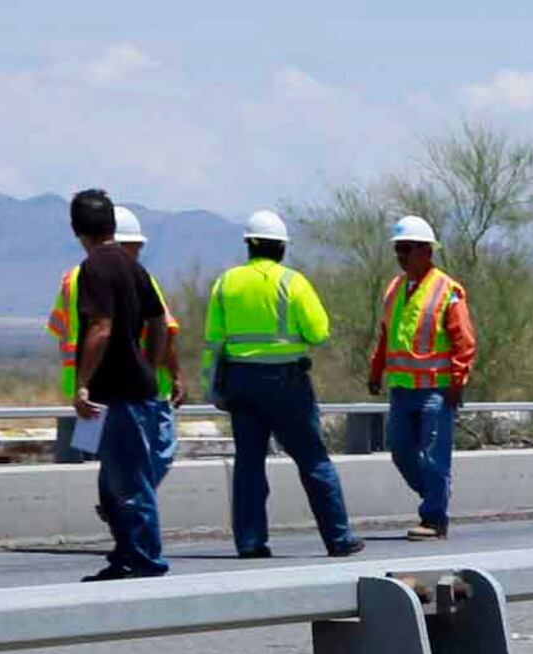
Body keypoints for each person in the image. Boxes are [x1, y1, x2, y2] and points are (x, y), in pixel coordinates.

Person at [205, 210, 360, 560]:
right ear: (282, 248)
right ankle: (339, 538)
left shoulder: (226, 283)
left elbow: (213, 341)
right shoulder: (293, 282)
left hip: (240, 382)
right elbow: (318, 332)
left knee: (248, 464)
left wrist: (212, 387)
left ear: (249, 245)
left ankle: (249, 542)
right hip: (286, 382)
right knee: (313, 459)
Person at [68, 191, 178, 581]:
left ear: (77, 229)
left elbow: (100, 327)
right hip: (136, 389)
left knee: (130, 483)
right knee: (113, 483)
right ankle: (126, 554)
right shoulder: (134, 268)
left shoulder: (94, 269)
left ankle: (146, 560)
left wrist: (82, 384)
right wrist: (150, 364)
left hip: (117, 394)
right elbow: (160, 322)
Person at [367, 214, 472, 540]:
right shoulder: (395, 289)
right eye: (398, 250)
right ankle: (435, 492)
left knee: (431, 454)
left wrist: (457, 382)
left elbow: (464, 341)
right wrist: (376, 369)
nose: (401, 257)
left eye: (407, 250)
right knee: (401, 452)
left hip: (435, 390)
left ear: (426, 251)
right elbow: (387, 335)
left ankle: (434, 518)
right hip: (402, 389)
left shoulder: (447, 291)